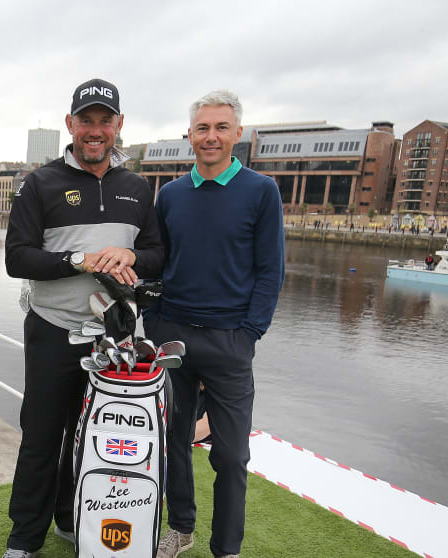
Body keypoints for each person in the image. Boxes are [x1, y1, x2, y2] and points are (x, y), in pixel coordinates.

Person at [2, 78, 164, 558]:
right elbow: (17, 259)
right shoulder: (40, 183)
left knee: (94, 435)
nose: (95, 131)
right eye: (86, 121)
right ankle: (23, 540)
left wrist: (129, 255)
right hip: (53, 330)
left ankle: (72, 520)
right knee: (42, 436)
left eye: (104, 121)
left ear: (118, 126)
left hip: (113, 336)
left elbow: (158, 255)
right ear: (70, 124)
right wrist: (78, 261)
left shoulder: (138, 187)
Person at [146, 90, 285, 558]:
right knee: (174, 442)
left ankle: (226, 548)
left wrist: (249, 334)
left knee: (231, 456)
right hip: (173, 336)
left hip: (230, 342)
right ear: (190, 135)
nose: (211, 136)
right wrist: (154, 324)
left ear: (237, 135)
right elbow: (157, 264)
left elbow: (270, 271)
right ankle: (180, 528)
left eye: (221, 128)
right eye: (203, 128)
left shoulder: (261, 191)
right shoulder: (170, 195)